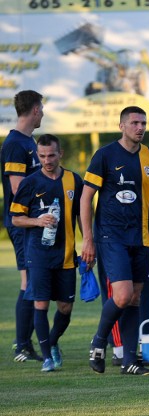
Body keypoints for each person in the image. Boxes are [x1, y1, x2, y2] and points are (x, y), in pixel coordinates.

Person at [82, 106, 149, 376]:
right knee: (122, 295)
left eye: (143, 123)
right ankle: (99, 340)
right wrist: (88, 238)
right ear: (122, 125)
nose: (140, 127)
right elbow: (86, 198)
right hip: (111, 236)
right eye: (134, 122)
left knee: (135, 298)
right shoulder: (105, 155)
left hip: (141, 236)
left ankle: (129, 361)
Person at [9, 134, 83, 371]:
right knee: (40, 304)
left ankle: (52, 343)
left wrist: (89, 241)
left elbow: (83, 215)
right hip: (38, 255)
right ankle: (47, 359)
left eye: (51, 155)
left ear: (60, 154)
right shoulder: (29, 183)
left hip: (67, 254)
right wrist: (38, 221)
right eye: (42, 156)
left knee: (65, 308)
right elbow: (16, 220)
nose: (47, 160)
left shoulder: (74, 180)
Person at [1, 90, 43, 362]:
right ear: (35, 109)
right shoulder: (16, 144)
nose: (44, 112)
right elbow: (18, 190)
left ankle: (26, 343)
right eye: (43, 107)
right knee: (29, 281)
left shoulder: (29, 141)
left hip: (33, 223)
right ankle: (22, 346)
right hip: (22, 223)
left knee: (34, 281)